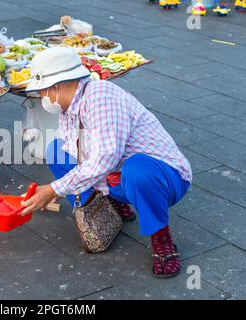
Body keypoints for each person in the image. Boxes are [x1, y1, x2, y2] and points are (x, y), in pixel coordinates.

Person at [20, 47, 192, 279]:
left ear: (58, 86)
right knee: (57, 151)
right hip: (116, 177)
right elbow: (79, 155)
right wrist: (59, 189)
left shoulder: (101, 97)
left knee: (137, 170)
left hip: (165, 177)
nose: (43, 98)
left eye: (42, 92)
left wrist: (54, 189)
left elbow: (106, 157)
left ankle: (161, 238)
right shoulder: (68, 108)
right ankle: (109, 205)